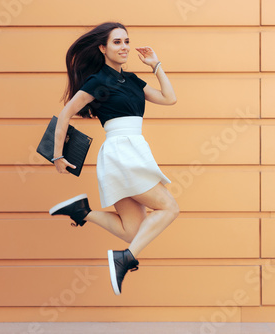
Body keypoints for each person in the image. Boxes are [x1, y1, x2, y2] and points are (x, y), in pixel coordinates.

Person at [48, 22, 179, 296]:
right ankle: (126, 258)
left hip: (132, 149)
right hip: (121, 151)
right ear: (102, 48)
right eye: (117, 42)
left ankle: (83, 212)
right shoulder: (97, 81)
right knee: (169, 208)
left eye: (127, 41)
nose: (125, 47)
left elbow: (169, 98)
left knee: (133, 231)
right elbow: (65, 114)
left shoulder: (132, 80)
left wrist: (156, 65)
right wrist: (57, 155)